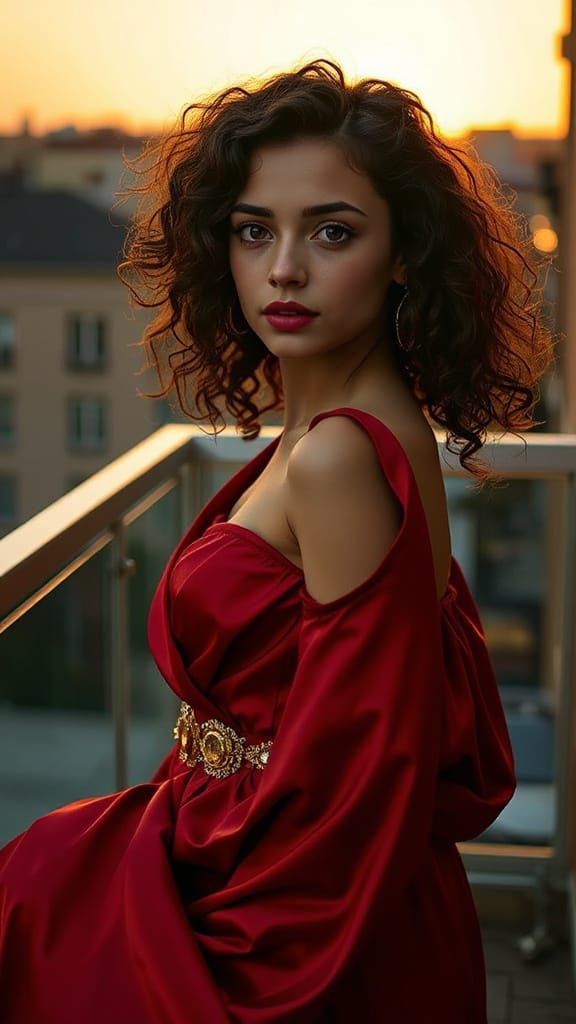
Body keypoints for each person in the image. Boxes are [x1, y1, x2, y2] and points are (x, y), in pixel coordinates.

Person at [0, 58, 554, 1022]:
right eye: (255, 230)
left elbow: (360, 774)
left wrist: (216, 952)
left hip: (309, 916)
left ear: (405, 253)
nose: (284, 268)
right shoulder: (346, 423)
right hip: (250, 839)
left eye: (331, 231)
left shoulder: (339, 456)